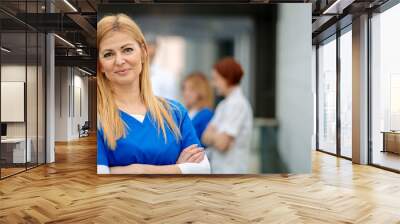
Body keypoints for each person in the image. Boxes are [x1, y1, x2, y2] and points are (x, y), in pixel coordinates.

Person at [97, 14, 210, 174]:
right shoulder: (98, 118)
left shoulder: (175, 112)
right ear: (100, 65)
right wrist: (178, 169)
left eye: (127, 50)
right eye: (108, 54)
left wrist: (138, 169)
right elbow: (99, 176)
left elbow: (203, 168)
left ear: (143, 53)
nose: (120, 60)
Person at [202, 57, 253, 174]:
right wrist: (217, 137)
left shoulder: (238, 104)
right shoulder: (223, 105)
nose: (213, 84)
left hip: (232, 174)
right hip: (219, 172)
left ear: (227, 79)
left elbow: (222, 144)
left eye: (216, 79)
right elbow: (204, 137)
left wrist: (213, 135)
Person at [181, 72, 214, 146]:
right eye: (184, 89)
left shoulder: (206, 114)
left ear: (201, 91)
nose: (186, 93)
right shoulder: (186, 113)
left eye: (191, 89)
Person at [147, 36, 178, 100]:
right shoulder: (132, 73)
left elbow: (170, 102)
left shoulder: (166, 75)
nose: (147, 49)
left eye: (150, 45)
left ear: (156, 48)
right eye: (144, 46)